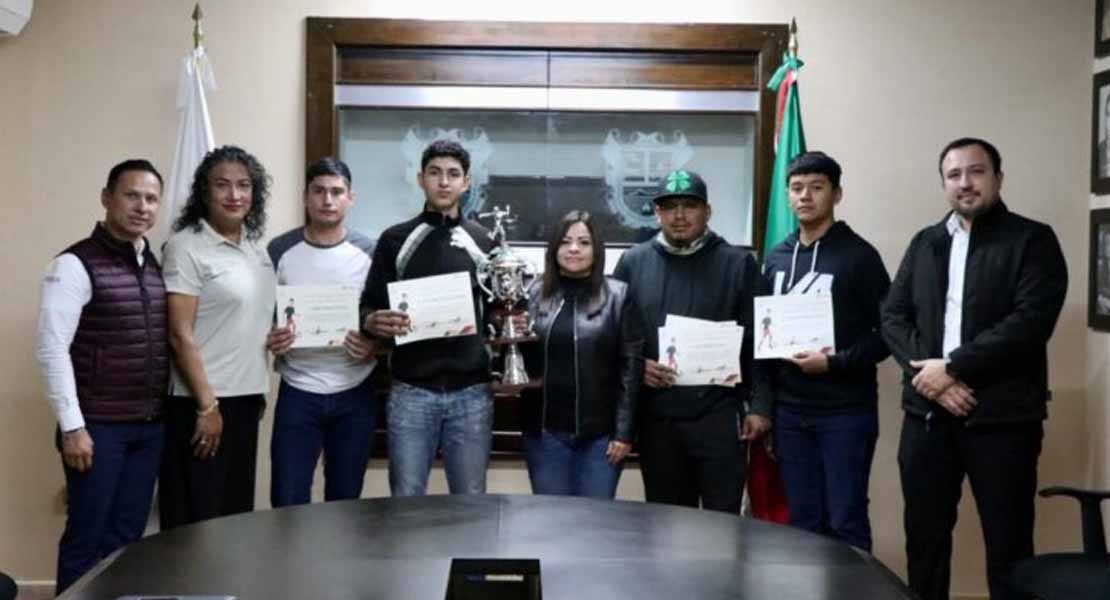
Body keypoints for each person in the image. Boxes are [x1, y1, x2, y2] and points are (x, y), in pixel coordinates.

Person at [881, 138, 1067, 600]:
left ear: (998, 178)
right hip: (927, 418)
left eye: (976, 172)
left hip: (1002, 420)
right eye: (954, 174)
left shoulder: (1033, 240)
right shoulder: (925, 243)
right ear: (944, 183)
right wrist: (932, 380)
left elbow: (1030, 323)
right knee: (925, 543)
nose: (965, 183)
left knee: (1009, 548)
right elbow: (892, 317)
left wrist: (954, 367)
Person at [35, 160, 168, 594]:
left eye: (151, 199)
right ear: (107, 198)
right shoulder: (74, 264)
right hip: (96, 429)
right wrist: (73, 427)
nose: (142, 207)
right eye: (132, 196)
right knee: (86, 536)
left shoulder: (154, 264)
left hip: (148, 427)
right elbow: (52, 349)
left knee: (128, 540)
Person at [612, 168, 770, 513]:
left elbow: (760, 341)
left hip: (719, 415)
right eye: (669, 207)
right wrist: (638, 368)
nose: (679, 216)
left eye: (690, 206)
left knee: (722, 524)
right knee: (667, 523)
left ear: (707, 211)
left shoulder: (738, 263)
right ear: (657, 213)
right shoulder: (633, 263)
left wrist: (760, 406)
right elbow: (613, 339)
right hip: (659, 420)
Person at [761, 151, 891, 552]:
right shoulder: (775, 258)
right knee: (803, 522)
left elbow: (889, 335)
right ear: (787, 196)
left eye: (816, 187)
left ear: (837, 194)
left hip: (845, 412)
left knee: (845, 518)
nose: (805, 196)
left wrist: (834, 363)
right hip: (789, 413)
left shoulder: (860, 256)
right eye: (797, 188)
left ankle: (855, 586)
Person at [359, 140, 495, 496]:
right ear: (421, 179)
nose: (444, 182)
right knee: (406, 500)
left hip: (472, 394)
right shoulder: (395, 239)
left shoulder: (485, 242)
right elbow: (367, 307)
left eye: (453, 174)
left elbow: (498, 313)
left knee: (470, 501)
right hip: (411, 392)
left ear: (466, 182)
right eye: (435, 173)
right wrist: (373, 323)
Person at [159, 145, 276, 529]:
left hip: (245, 400)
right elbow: (179, 335)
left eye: (244, 185)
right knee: (196, 523)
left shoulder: (257, 250)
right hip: (201, 403)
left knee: (234, 519)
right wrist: (207, 408)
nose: (234, 194)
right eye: (222, 185)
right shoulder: (186, 246)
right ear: (204, 191)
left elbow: (249, 319)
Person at [265, 157, 378, 507]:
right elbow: (263, 317)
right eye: (319, 191)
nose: (327, 200)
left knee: (345, 502)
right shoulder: (279, 250)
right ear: (305, 197)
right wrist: (272, 338)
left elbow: (382, 319)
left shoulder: (370, 251)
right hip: (298, 389)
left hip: (355, 389)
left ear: (350, 198)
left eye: (336, 192)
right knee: (287, 499)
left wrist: (374, 345)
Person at [518, 210, 644, 498]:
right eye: (565, 242)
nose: (573, 249)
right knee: (552, 519)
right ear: (554, 249)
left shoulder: (619, 296)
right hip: (545, 435)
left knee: (594, 520)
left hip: (601, 438)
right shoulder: (532, 294)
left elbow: (631, 369)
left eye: (584, 242)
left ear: (596, 249)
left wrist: (624, 432)